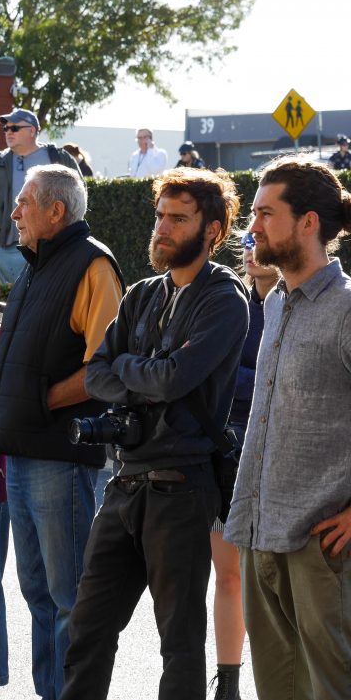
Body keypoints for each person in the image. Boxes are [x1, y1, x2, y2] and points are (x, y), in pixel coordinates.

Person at [60, 167, 249, 700]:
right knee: (88, 628)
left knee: (180, 644)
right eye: (160, 215)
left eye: (178, 218)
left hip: (183, 486)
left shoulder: (224, 297)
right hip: (124, 484)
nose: (163, 228)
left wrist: (128, 367)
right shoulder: (141, 292)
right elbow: (96, 373)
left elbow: (173, 379)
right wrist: (137, 369)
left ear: (212, 230)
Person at [0, 164, 124, 700]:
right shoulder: (36, 267)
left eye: (23, 202)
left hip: (60, 456)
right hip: (21, 454)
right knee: (37, 593)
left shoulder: (93, 265)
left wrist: (40, 401)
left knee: (69, 598)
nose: (13, 212)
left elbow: (105, 366)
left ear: (55, 211)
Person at [224, 157, 351, 700]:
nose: (252, 227)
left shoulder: (346, 309)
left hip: (321, 544)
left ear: (308, 223)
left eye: (265, 214)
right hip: (258, 533)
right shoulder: (274, 303)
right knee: (277, 689)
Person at [206, 227, 275, 700]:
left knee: (277, 586)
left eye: (260, 239)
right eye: (247, 240)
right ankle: (227, 683)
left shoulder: (317, 302)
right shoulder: (233, 301)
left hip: (285, 459)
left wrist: (239, 377)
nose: (251, 249)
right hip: (229, 457)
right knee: (228, 576)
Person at [0, 109, 81, 284]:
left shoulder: (58, 158)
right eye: (6, 128)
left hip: (51, 248)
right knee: (10, 304)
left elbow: (79, 196)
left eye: (15, 128)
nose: (8, 132)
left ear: (32, 131)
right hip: (6, 251)